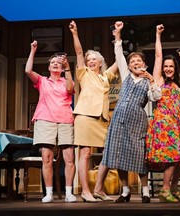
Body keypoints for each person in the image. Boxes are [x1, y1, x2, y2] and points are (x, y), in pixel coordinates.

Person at [99, 21, 161, 204]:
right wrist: (117, 34)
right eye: (132, 61)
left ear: (144, 65)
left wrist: (151, 80)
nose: (135, 63)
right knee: (118, 155)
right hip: (118, 119)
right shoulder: (126, 76)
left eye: (138, 61)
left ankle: (145, 191)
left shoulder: (147, 81)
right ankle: (125, 191)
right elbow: (118, 53)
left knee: (138, 156)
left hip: (137, 121)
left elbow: (156, 96)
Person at [69, 21, 118, 202]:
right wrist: (75, 33)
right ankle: (85, 191)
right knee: (85, 153)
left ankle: (98, 188)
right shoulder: (84, 74)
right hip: (85, 117)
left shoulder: (105, 77)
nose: (90, 62)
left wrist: (117, 38)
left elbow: (119, 62)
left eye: (93, 60)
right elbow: (79, 53)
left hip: (102, 119)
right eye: (89, 60)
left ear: (100, 62)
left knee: (110, 152)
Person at [145, 24, 180, 203]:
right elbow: (158, 55)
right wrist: (158, 34)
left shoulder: (179, 85)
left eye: (171, 66)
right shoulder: (158, 80)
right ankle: (164, 190)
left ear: (175, 68)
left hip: (177, 123)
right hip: (163, 122)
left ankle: (173, 189)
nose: (168, 68)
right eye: (166, 66)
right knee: (173, 157)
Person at [25, 41, 77, 203]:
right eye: (52, 63)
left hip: (65, 120)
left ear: (62, 68)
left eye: (58, 63)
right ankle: (48, 193)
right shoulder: (42, 81)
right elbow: (27, 70)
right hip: (45, 120)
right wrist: (33, 51)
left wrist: (67, 67)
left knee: (69, 158)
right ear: (49, 67)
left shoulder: (66, 80)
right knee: (46, 158)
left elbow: (70, 89)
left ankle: (69, 193)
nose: (55, 65)